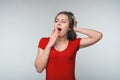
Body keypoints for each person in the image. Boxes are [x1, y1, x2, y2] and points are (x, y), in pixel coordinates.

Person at [34, 11, 103, 80]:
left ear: (69, 27)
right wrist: (49, 45)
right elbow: (39, 69)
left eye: (63, 22)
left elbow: (98, 36)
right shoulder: (44, 41)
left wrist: (75, 28)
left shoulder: (74, 43)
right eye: (56, 21)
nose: (58, 23)